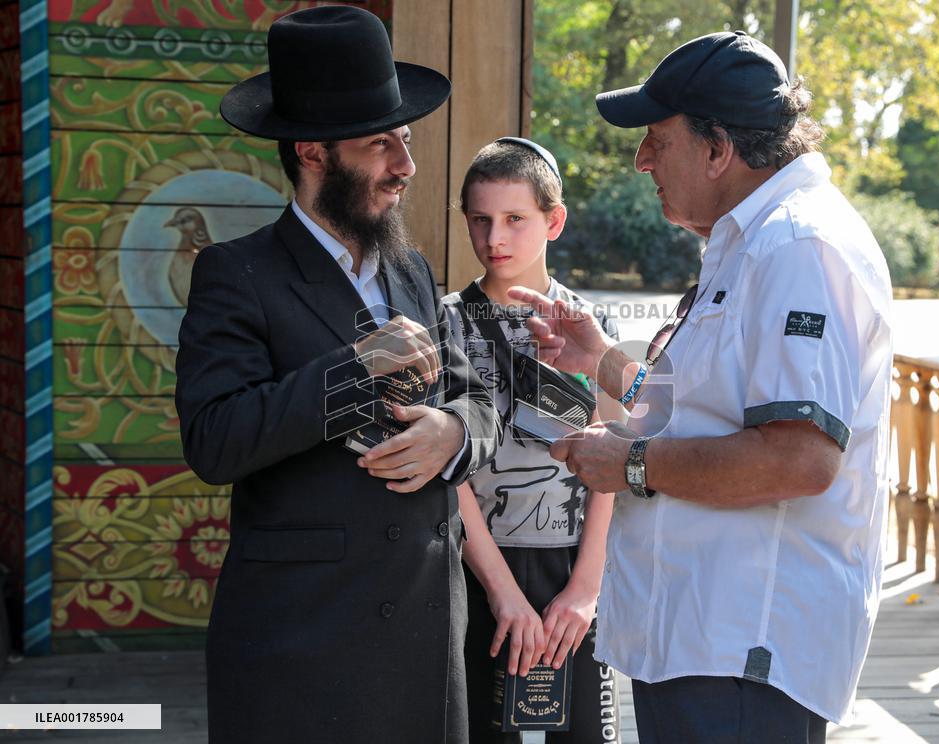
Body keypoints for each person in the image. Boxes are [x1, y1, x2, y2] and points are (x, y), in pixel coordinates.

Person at [508, 31, 893, 744]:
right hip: (705, 641)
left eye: (658, 138)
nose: (641, 159)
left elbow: (800, 458)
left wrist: (627, 464)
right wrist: (602, 361)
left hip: (741, 652)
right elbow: (713, 407)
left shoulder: (798, 246)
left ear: (719, 149)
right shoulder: (752, 239)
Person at [174, 7, 499, 743]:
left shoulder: (412, 269)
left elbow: (477, 398)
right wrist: (357, 369)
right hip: (302, 645)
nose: (406, 167)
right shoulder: (236, 273)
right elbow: (214, 440)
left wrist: (454, 432)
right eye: (381, 144)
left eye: (406, 140)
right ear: (312, 150)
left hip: (425, 640)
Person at [442, 138, 622, 743]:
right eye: (480, 219)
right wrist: (502, 592)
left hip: (573, 564)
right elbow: (452, 472)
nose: (495, 238)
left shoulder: (591, 329)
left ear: (554, 220)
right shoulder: (444, 324)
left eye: (515, 219)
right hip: (475, 567)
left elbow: (615, 456)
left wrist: (587, 587)